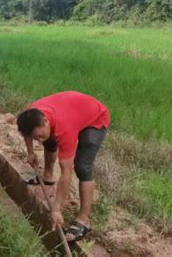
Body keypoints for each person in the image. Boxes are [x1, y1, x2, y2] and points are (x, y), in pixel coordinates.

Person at [16, 91, 110, 242]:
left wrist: (56, 209)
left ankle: (84, 220)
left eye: (39, 136)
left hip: (95, 119)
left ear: (45, 121)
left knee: (82, 167)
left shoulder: (64, 128)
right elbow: (27, 132)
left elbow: (66, 171)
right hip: (73, 110)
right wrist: (30, 152)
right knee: (49, 140)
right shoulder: (30, 115)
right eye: (35, 138)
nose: (38, 140)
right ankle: (47, 177)